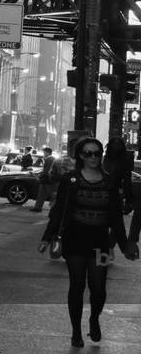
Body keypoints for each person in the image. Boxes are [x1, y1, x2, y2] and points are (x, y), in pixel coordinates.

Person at [38, 138, 137, 347]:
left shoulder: (110, 181)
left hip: (100, 240)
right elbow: (59, 210)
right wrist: (48, 237)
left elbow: (116, 218)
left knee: (99, 286)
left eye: (97, 153)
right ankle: (76, 331)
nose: (93, 157)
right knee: (77, 284)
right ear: (80, 156)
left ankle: (94, 319)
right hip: (75, 238)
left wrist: (124, 244)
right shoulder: (70, 179)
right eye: (88, 153)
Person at [102, 136, 134, 214]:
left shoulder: (123, 158)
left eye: (117, 145)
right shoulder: (108, 158)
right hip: (111, 188)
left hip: (114, 189)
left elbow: (127, 179)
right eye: (115, 144)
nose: (116, 147)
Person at [31, 146, 57, 212]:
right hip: (47, 180)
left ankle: (55, 208)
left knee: (51, 195)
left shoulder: (49, 159)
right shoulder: (52, 159)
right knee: (42, 194)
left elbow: (46, 171)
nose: (43, 153)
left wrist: (40, 176)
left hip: (48, 180)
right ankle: (37, 207)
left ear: (47, 152)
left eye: (44, 152)